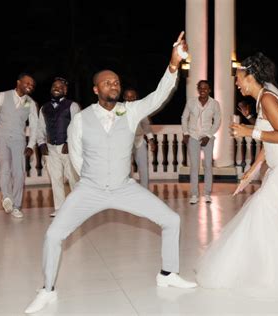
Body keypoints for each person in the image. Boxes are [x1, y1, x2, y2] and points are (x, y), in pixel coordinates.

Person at [24, 32, 197, 315]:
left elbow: (158, 97)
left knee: (172, 219)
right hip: (90, 188)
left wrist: (174, 64)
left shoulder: (129, 112)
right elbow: (77, 157)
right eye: (107, 82)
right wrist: (92, 182)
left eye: (116, 81)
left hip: (124, 187)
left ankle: (168, 274)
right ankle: (47, 290)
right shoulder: (80, 119)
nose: (113, 85)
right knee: (54, 235)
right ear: (96, 89)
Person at [195, 52, 278, 299]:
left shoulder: (269, 99)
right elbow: (268, 144)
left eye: (239, 77)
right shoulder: (263, 100)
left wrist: (249, 131)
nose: (237, 82)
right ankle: (273, 272)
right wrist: (250, 172)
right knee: (271, 216)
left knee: (263, 212)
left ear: (251, 76)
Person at [0, 73, 39, 218]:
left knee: (19, 172)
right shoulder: (2, 96)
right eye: (27, 83)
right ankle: (7, 198)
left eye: (32, 85)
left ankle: (16, 206)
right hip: (1, 137)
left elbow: (34, 126)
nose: (30, 86)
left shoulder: (30, 102)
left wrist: (31, 145)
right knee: (4, 167)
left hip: (19, 140)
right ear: (18, 82)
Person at [37, 77, 80, 217]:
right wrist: (41, 143)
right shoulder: (44, 108)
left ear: (65, 90)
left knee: (73, 178)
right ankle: (60, 208)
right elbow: (40, 127)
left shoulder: (72, 106)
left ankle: (77, 207)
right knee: (55, 178)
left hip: (68, 147)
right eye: (54, 86)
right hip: (51, 148)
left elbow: (77, 126)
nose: (57, 88)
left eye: (60, 87)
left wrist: (69, 143)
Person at [181, 80, 221, 204]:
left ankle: (207, 194)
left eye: (205, 88)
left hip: (207, 137)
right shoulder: (191, 102)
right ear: (198, 89)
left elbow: (217, 121)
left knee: (208, 166)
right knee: (194, 167)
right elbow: (184, 117)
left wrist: (209, 135)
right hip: (193, 136)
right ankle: (194, 194)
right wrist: (186, 133)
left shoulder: (214, 104)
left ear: (209, 90)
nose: (203, 90)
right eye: (200, 88)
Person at [123, 87, 157, 187]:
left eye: (132, 97)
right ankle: (127, 190)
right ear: (124, 97)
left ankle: (145, 190)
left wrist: (151, 140)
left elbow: (146, 125)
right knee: (126, 169)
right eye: (128, 97)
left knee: (143, 167)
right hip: (124, 143)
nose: (130, 99)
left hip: (139, 140)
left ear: (135, 97)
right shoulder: (118, 109)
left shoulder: (141, 109)